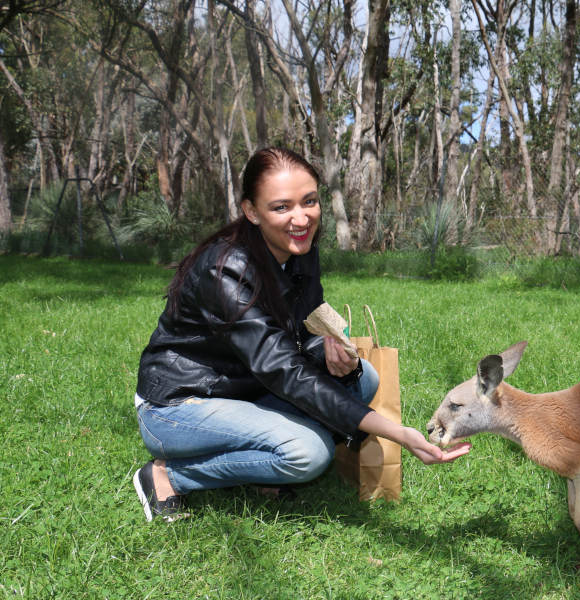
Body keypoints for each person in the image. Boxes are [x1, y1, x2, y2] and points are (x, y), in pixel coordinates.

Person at [132, 147, 469, 522]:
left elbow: (304, 325)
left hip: (248, 388)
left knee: (363, 379)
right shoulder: (225, 270)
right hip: (181, 405)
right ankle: (167, 475)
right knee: (308, 454)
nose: (301, 217)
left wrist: (325, 350)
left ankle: (259, 467)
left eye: (309, 201)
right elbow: (283, 370)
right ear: (251, 211)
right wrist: (398, 433)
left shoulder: (300, 249)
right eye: (281, 207)